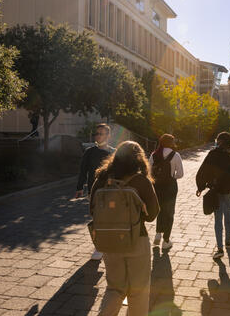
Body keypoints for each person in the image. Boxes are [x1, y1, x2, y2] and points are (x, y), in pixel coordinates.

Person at [91, 141, 160, 316]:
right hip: (137, 240)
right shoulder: (141, 181)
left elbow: (93, 209)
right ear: (139, 159)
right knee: (139, 290)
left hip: (109, 242)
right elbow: (153, 214)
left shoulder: (101, 179)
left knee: (115, 288)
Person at [195, 132, 230, 259]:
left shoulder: (213, 154)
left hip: (216, 190)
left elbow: (203, 170)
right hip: (229, 190)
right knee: (228, 213)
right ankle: (228, 241)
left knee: (217, 218)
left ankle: (219, 248)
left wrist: (200, 186)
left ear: (219, 141)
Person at [75, 123, 115, 261]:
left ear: (108, 136)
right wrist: (79, 187)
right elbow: (83, 170)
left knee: (108, 219)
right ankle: (99, 247)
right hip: (93, 191)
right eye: (96, 133)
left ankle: (106, 245)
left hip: (110, 192)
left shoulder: (113, 152)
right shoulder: (89, 152)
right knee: (97, 219)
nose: (97, 136)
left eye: (101, 133)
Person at [149, 134, 184, 250]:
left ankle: (158, 233)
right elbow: (180, 174)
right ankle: (166, 240)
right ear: (171, 142)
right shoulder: (175, 155)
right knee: (169, 213)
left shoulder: (154, 155)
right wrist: (172, 176)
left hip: (157, 187)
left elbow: (149, 172)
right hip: (170, 187)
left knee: (160, 210)